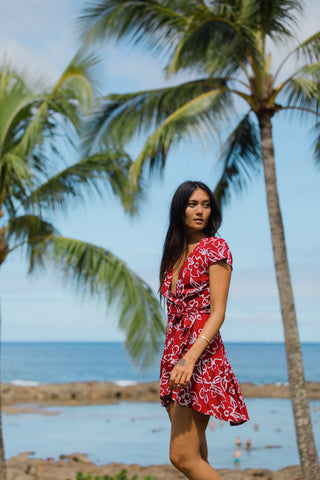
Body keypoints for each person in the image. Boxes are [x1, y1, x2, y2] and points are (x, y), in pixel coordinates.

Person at [159, 181, 249, 480]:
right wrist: (176, 358)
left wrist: (190, 358)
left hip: (200, 355)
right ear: (179, 209)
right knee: (197, 455)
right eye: (193, 204)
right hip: (174, 352)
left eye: (206, 204)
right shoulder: (174, 253)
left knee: (181, 456)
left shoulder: (215, 247)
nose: (200, 211)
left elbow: (218, 312)